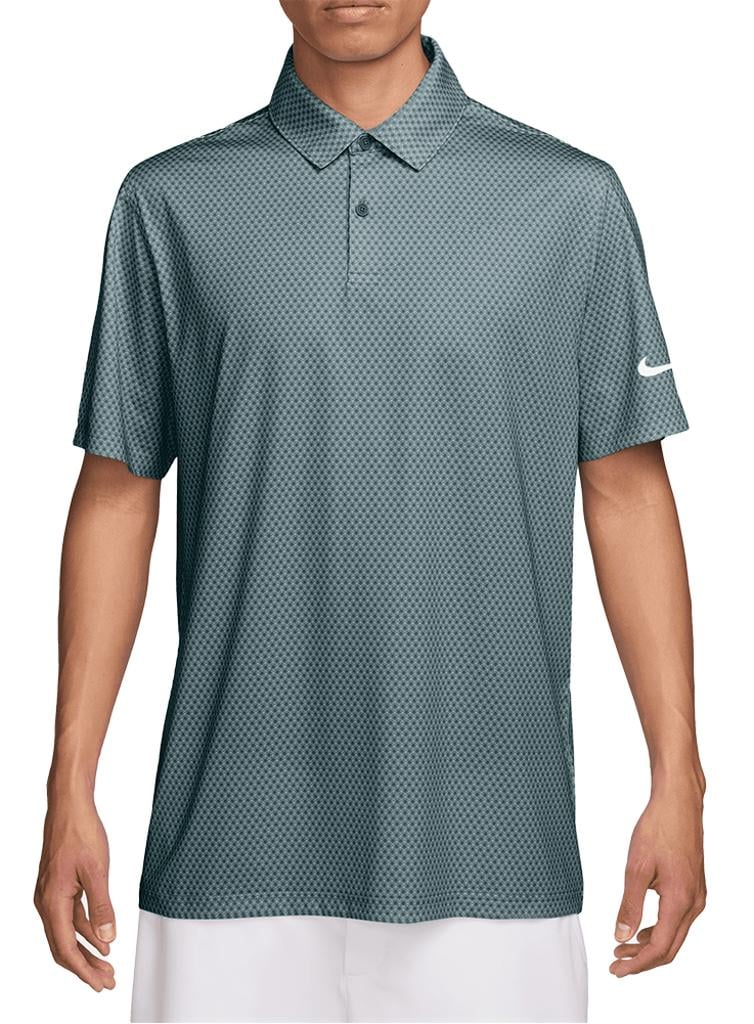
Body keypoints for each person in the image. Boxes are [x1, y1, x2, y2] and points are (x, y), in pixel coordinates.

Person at [34, 1, 707, 1021]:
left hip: (495, 855)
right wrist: (69, 785)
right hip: (227, 853)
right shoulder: (169, 204)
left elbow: (627, 492)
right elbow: (118, 495)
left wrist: (677, 779)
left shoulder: (571, 201)